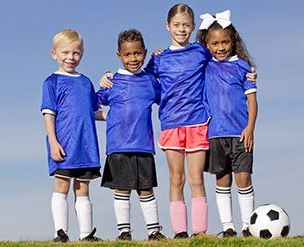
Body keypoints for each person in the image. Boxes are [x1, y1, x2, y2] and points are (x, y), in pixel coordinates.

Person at [99, 4, 257, 238]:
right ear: (168, 26)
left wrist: (248, 71)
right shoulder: (159, 59)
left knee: (196, 179)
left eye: (186, 25)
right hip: (171, 124)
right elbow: (138, 79)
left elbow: (224, 60)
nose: (181, 29)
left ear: (193, 27)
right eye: (176, 25)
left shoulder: (201, 52)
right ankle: (180, 232)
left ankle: (200, 232)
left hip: (198, 123)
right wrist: (107, 77)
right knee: (177, 178)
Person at [97, 29, 166, 241]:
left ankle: (154, 231)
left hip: (144, 145)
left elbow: (168, 98)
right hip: (118, 146)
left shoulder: (151, 82)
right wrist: (108, 115)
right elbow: (91, 106)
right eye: (127, 54)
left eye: (137, 53)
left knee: (146, 189)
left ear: (144, 53)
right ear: (119, 55)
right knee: (122, 189)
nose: (133, 58)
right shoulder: (112, 82)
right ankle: (124, 233)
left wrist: (159, 58)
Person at [197, 10, 258, 237]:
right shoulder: (204, 66)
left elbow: (252, 100)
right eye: (215, 43)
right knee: (222, 179)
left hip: (241, 133)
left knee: (243, 177)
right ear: (207, 44)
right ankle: (227, 227)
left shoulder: (242, 67)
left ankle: (247, 226)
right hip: (215, 134)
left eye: (225, 42)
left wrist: (250, 127)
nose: (220, 47)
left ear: (233, 42)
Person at [40, 29, 105, 243]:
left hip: (86, 145)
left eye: (76, 53)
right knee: (62, 185)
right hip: (64, 144)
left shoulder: (86, 82)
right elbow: (49, 115)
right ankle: (60, 233)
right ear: (54, 54)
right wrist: (53, 142)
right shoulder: (52, 82)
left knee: (83, 187)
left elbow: (94, 112)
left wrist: (118, 115)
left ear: (82, 54)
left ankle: (86, 234)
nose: (71, 57)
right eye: (65, 52)